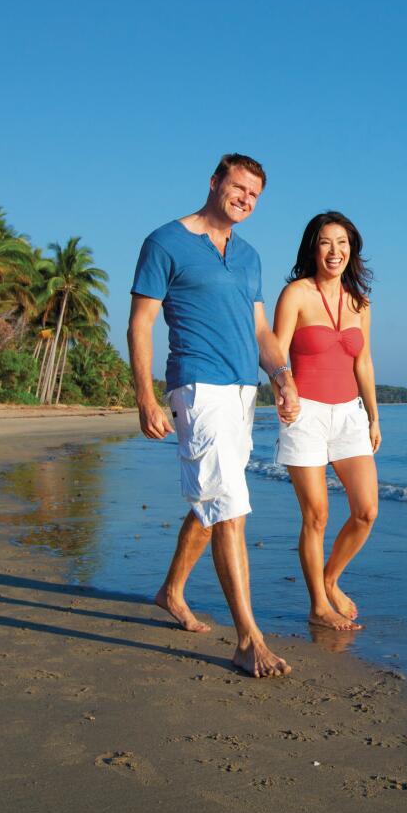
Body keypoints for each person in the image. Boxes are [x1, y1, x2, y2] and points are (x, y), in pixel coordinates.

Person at [128, 153, 301, 678]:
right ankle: (249, 639)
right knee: (229, 506)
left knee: (213, 498)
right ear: (214, 182)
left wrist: (283, 376)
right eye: (238, 187)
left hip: (243, 391)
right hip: (197, 386)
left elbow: (261, 332)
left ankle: (171, 591)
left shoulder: (248, 256)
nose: (244, 199)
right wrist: (145, 396)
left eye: (254, 195)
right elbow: (141, 324)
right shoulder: (165, 242)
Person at [272, 211, 380, 631]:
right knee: (316, 515)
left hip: (350, 414)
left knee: (366, 511)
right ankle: (318, 605)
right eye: (325, 242)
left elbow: (365, 362)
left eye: (342, 243)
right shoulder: (296, 294)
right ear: (312, 248)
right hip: (305, 414)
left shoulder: (360, 302)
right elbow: (276, 353)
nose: (334, 251)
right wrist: (283, 391)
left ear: (351, 250)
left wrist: (373, 416)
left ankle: (330, 578)